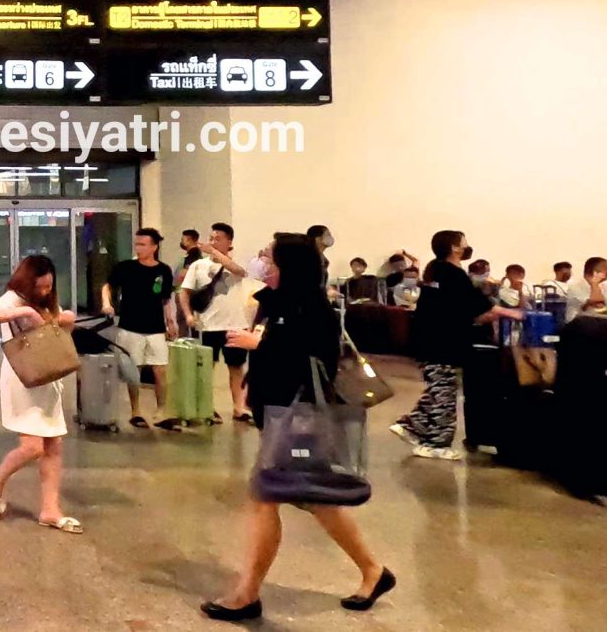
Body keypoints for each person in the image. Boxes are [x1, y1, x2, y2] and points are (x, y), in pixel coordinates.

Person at [201, 233, 394, 622]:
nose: (265, 266)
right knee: (314, 499)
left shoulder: (311, 307)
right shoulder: (280, 302)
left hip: (299, 416)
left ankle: (247, 595)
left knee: (265, 495)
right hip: (279, 411)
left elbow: (313, 357)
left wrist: (260, 346)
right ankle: (374, 571)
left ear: (290, 266)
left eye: (271, 260)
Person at [391, 231, 524, 460]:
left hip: (433, 340)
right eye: (463, 241)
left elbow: (465, 311)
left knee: (440, 388)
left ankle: (411, 425)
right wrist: (512, 313)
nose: (466, 245)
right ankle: (434, 444)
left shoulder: (438, 271)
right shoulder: (451, 274)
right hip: (439, 342)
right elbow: (478, 307)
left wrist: (489, 314)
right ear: (454, 247)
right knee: (444, 393)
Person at [0, 255, 81, 534]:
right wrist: (25, 313)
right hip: (22, 378)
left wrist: (65, 321)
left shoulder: (48, 301)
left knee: (53, 445)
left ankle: (50, 509)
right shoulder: (13, 298)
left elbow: (55, 334)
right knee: (32, 447)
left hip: (47, 378)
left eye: (49, 286)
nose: (45, 291)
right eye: (40, 286)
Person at [178, 223, 258, 423]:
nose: (213, 242)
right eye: (211, 238)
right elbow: (184, 292)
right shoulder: (198, 266)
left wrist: (214, 253)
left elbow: (238, 270)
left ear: (229, 242)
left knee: (236, 367)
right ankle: (207, 407)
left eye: (218, 238)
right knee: (206, 368)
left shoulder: (237, 261)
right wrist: (188, 315)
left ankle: (239, 407)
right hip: (208, 325)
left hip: (235, 324)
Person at [102, 228, 178, 430]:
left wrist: (171, 320)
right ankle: (135, 410)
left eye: (143, 244)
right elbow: (108, 285)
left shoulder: (163, 270)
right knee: (133, 370)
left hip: (155, 326)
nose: (139, 248)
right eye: (137, 244)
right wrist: (106, 303)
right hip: (130, 325)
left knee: (160, 369)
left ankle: (161, 410)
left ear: (154, 247)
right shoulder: (126, 267)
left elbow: (166, 298)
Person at [566, 257, 607, 323]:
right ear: (594, 271)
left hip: (603, 323)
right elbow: (597, 303)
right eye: (606, 269)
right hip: (578, 324)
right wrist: (594, 283)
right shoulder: (574, 287)